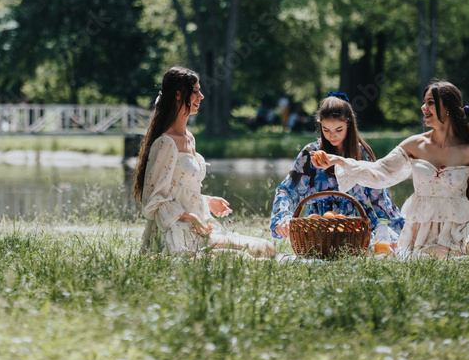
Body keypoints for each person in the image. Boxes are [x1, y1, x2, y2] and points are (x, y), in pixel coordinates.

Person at [311, 81, 469, 258]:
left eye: (430, 103)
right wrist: (338, 161)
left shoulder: (468, 151)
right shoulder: (413, 145)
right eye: (424, 102)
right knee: (434, 257)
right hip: (425, 229)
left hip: (463, 223)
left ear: (447, 109)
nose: (423, 108)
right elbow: (379, 172)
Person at [133, 66, 275, 257]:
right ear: (177, 94)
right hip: (175, 233)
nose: (201, 96)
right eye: (195, 91)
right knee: (250, 256)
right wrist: (190, 217)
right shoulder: (165, 142)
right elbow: (153, 199)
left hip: (200, 227)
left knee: (266, 248)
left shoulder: (190, 138)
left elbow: (179, 189)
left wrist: (206, 201)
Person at [270, 92, 405, 245]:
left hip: (358, 226)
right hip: (319, 225)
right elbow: (287, 190)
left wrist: (406, 230)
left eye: (338, 130)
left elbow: (380, 199)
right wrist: (283, 217)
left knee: (391, 245)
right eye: (326, 130)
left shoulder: (361, 154)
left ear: (349, 124)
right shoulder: (311, 153)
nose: (332, 136)